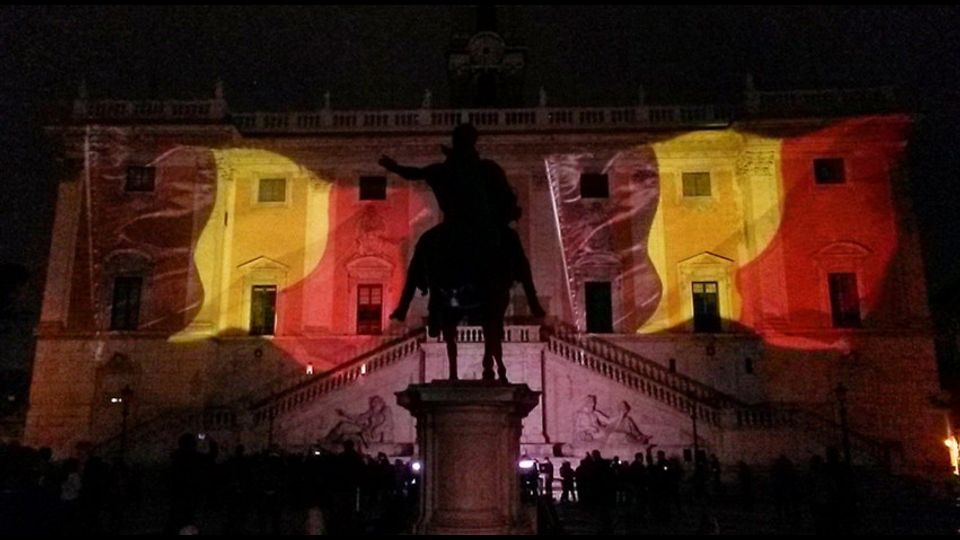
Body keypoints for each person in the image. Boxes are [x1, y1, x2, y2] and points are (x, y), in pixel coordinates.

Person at [379, 124, 545, 326]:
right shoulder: (485, 168)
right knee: (513, 244)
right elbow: (506, 197)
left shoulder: (445, 170)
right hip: (482, 225)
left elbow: (414, 173)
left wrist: (394, 167)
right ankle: (533, 300)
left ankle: (403, 307)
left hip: (453, 225)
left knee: (423, 246)